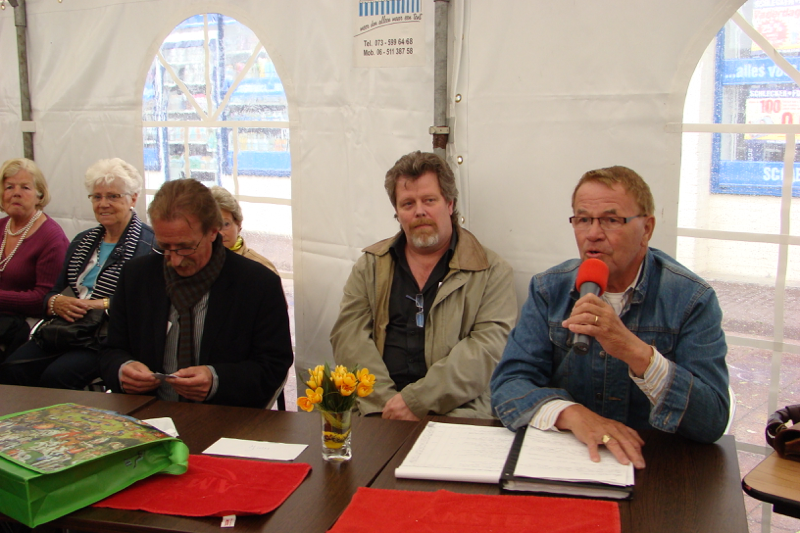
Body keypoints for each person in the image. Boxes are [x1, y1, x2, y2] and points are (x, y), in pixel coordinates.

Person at [490, 165, 730, 469]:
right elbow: (508, 386)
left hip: (655, 466)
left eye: (611, 220)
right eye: (583, 220)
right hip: (571, 458)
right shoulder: (549, 289)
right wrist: (573, 415)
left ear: (646, 229)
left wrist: (634, 352)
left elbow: (712, 420)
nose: (593, 234)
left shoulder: (691, 298)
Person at [331, 151, 517, 420]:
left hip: (457, 413)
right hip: (376, 411)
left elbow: (487, 350)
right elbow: (348, 339)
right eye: (408, 203)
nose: (419, 211)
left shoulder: (491, 272)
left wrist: (415, 402)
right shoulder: (370, 266)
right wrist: (386, 406)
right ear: (397, 213)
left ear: (450, 204)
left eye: (429, 200)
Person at [99, 178, 293, 408]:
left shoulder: (257, 284)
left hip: (224, 416)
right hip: (149, 413)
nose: (175, 260)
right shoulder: (137, 276)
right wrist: (123, 369)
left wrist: (216, 380)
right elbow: (110, 350)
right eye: (165, 247)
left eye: (185, 247)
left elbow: (273, 366)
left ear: (213, 232)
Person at [0, 159, 154, 389]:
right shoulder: (83, 240)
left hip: (106, 336)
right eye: (97, 197)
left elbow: (146, 305)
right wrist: (55, 302)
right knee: (12, 368)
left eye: (113, 196)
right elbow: (51, 292)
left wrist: (97, 304)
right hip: (66, 330)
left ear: (133, 198)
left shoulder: (149, 246)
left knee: (56, 377)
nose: (103, 204)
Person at [0, 158, 69, 360]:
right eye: (9, 187)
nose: (16, 193)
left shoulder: (51, 237)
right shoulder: (2, 226)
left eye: (25, 187)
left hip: (29, 324)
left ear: (40, 195)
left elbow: (44, 299)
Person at [209, 186, 278, 274]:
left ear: (238, 224)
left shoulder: (262, 269)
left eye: (226, 224)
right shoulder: (195, 265)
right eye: (211, 227)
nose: (220, 234)